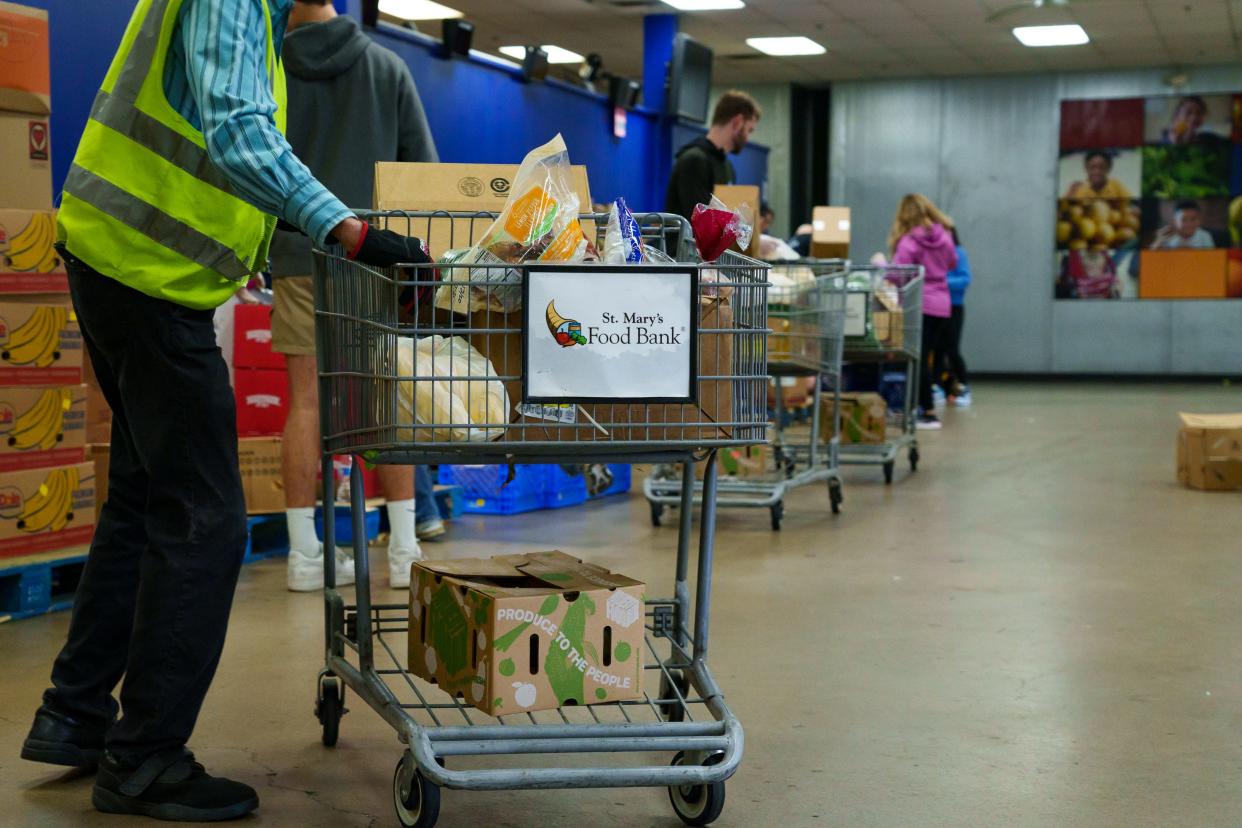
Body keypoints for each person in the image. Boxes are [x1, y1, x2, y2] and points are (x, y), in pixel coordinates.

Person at [22, 0, 429, 821]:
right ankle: (144, 760)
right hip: (150, 278)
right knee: (206, 520)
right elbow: (237, 133)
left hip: (117, 255)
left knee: (143, 499)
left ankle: (75, 715)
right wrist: (349, 234)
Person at [271, 0, 440, 592]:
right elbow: (423, 174)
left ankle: (304, 556)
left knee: (305, 404)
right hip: (374, 259)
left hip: (296, 257)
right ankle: (405, 552)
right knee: (385, 401)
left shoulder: (269, 66)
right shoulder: (387, 67)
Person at [888, 194, 958, 430]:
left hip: (919, 304)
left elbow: (897, 275)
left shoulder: (909, 242)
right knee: (927, 356)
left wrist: (879, 265)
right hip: (942, 305)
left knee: (916, 357)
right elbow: (952, 263)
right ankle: (923, 408)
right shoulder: (945, 237)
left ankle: (926, 411)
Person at [665, 90, 761, 221]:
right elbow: (700, 223)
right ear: (737, 122)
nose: (747, 138)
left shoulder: (727, 167)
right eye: (749, 130)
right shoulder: (694, 160)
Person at [941, 228, 972, 407]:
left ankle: (964, 386)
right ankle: (940, 387)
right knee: (937, 350)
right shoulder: (936, 254)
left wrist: (942, 283)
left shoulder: (959, 253)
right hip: (937, 307)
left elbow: (965, 279)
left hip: (954, 307)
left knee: (952, 349)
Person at [1063, 151, 1132, 200]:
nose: (1097, 171)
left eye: (1101, 167)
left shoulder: (1116, 186)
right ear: (1086, 168)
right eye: (1092, 167)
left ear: (1109, 168)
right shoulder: (1077, 188)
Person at [1159, 95, 1226, 145]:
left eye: (1199, 112)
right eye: (1188, 112)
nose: (1194, 117)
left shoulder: (1209, 138)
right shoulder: (1166, 140)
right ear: (1177, 116)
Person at [1150, 200, 1216, 249]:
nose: (1189, 224)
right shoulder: (1167, 236)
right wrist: (1158, 241)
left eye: (1193, 219)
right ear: (1175, 221)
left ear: (1199, 220)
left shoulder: (1205, 236)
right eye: (1183, 220)